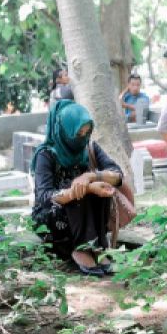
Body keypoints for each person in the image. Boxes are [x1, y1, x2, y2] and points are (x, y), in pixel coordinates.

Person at [31, 101, 124, 277]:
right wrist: (84, 188)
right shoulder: (47, 155)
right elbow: (45, 196)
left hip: (85, 214)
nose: (83, 137)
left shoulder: (89, 147)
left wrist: (91, 177)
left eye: (87, 131)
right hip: (54, 219)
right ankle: (79, 248)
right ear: (64, 131)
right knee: (78, 191)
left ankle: (96, 246)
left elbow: (118, 175)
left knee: (101, 187)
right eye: (78, 133)